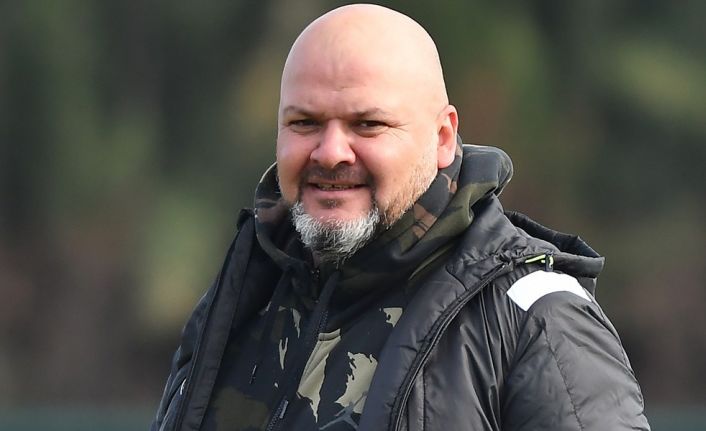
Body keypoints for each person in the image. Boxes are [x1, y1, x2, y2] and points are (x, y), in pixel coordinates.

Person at [151, 4, 650, 431]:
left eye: (368, 124)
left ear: (442, 137)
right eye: (304, 122)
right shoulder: (243, 295)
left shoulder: (533, 317)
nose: (331, 151)